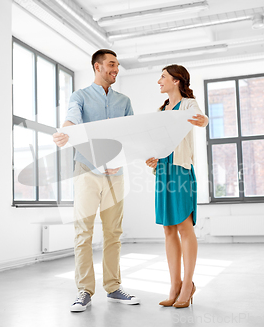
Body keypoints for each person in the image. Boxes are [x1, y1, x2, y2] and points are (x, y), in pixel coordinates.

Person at [53, 49, 139, 312]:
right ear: (97, 66)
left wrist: (120, 160)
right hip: (87, 171)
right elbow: (71, 121)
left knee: (113, 233)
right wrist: (64, 133)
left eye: (117, 65)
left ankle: (113, 287)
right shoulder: (79, 96)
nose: (116, 69)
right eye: (111, 64)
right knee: (84, 232)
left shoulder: (123, 101)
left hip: (116, 174)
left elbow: (132, 135)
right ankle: (84, 290)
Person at [145, 64, 208, 308]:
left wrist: (202, 120)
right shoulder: (160, 111)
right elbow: (156, 145)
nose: (159, 81)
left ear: (176, 80)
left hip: (181, 170)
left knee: (184, 227)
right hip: (163, 171)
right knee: (168, 229)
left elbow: (201, 120)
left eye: (162, 77)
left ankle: (188, 285)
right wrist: (153, 159)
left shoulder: (189, 105)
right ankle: (174, 284)